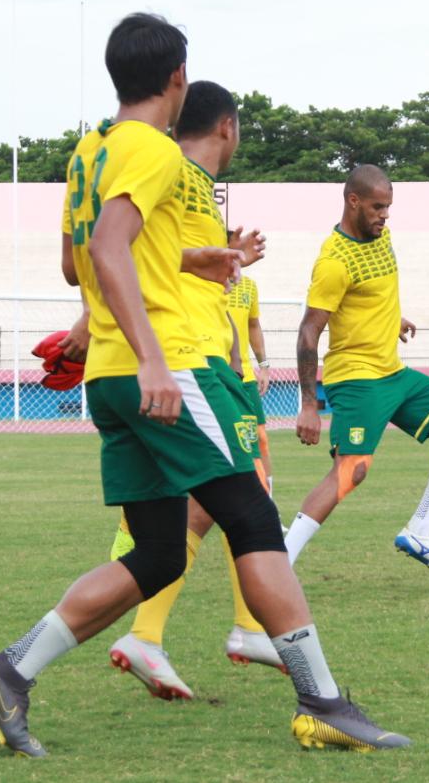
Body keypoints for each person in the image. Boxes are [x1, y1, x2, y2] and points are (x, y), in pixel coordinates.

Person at [0, 13, 409, 757]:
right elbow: (108, 247)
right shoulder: (154, 148)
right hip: (168, 366)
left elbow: (81, 264)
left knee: (161, 553)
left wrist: (194, 258)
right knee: (255, 520)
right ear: (177, 79)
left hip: (109, 375)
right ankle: (322, 700)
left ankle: (9, 671)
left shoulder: (90, 151)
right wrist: (154, 359)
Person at [105, 81, 285, 701]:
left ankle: (157, 635)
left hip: (210, 356)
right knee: (244, 493)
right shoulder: (170, 170)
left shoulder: (195, 186)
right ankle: (249, 631)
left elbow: (163, 257)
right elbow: (125, 249)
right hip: (188, 361)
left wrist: (224, 259)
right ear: (228, 127)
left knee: (213, 504)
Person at [286, 164, 429, 574]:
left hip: (392, 373)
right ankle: (280, 559)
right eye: (378, 207)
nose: (385, 216)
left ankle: (421, 530)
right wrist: (308, 404)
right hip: (357, 377)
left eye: (389, 208)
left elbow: (373, 292)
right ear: (353, 201)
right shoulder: (333, 261)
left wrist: (391, 319)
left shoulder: (382, 236)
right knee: (352, 470)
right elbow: (309, 331)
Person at [227, 271, 275, 494]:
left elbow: (253, 325)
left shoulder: (248, 285)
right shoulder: (202, 282)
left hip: (245, 376)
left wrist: (263, 366)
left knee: (260, 439)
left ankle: (268, 505)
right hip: (215, 374)